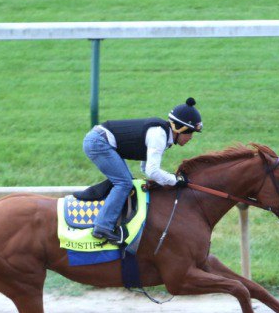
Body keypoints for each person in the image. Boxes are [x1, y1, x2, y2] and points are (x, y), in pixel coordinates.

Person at [82, 97, 203, 244]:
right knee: (124, 183)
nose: (190, 138)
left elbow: (145, 168)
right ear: (179, 129)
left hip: (100, 140)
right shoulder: (159, 135)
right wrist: (175, 180)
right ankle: (102, 227)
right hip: (98, 142)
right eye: (189, 133)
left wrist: (171, 180)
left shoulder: (162, 135)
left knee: (126, 181)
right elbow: (152, 171)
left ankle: (111, 216)